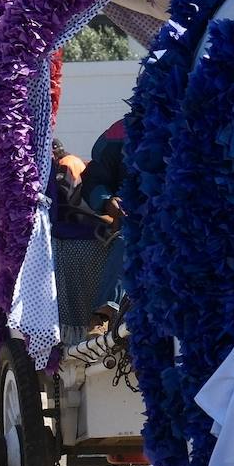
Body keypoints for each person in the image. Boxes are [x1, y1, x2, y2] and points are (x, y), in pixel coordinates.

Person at [81, 119, 127, 336]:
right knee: (130, 242)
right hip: (135, 224)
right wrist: (107, 201)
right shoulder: (121, 131)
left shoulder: (193, 123)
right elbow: (93, 180)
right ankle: (105, 313)